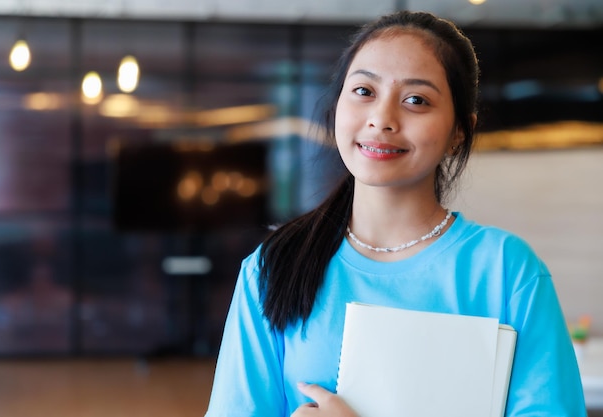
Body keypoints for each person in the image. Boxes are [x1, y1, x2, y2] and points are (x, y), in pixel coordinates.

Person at [204, 10, 587, 417]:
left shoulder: (507, 271)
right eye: (364, 91)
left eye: (416, 100)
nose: (382, 119)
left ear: (459, 131)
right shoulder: (273, 267)